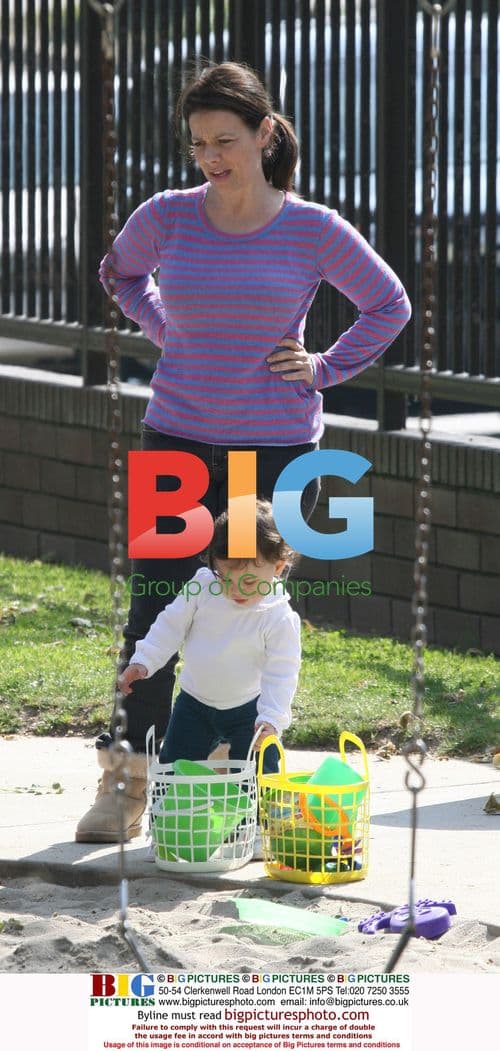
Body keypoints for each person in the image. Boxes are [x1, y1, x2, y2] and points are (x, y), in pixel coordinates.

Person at [76, 60, 411, 844]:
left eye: (225, 140)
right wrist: (168, 331)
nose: (211, 158)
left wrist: (324, 368)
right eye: (198, 145)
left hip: (272, 446)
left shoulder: (313, 227)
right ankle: (125, 781)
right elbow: (119, 274)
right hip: (178, 434)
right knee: (156, 605)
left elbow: (388, 303)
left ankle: (243, 780)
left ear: (265, 133)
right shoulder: (167, 215)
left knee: (249, 611)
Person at [118, 501, 300, 776]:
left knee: (260, 771)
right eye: (225, 577)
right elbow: (169, 625)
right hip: (194, 704)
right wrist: (143, 660)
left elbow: (282, 672)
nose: (236, 589)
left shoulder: (278, 615)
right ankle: (170, 816)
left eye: (249, 582)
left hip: (249, 710)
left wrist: (271, 719)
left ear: (277, 568)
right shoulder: (203, 587)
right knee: (173, 770)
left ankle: (262, 816)